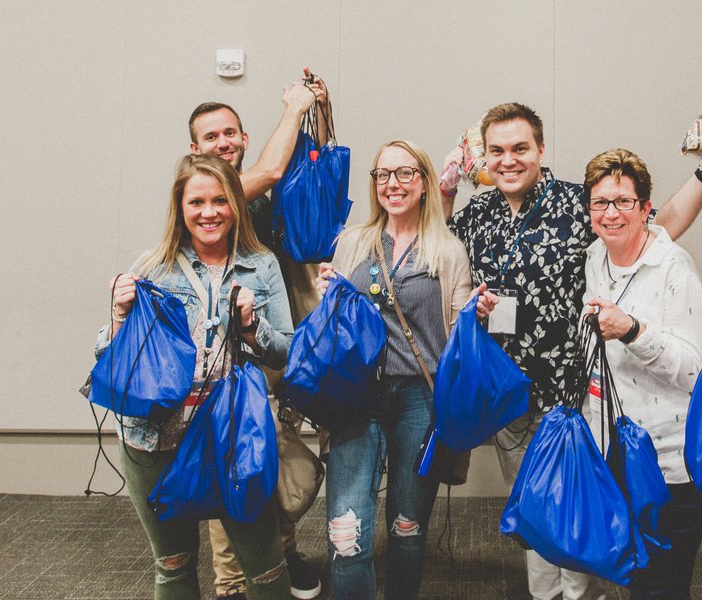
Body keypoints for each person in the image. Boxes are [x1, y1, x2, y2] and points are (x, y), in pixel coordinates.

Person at [442, 101, 702, 600]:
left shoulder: (577, 204)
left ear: (541, 149)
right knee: (538, 518)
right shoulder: (479, 213)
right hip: (510, 397)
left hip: (573, 398)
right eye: (497, 150)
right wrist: (446, 192)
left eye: (520, 148)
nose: (509, 160)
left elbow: (658, 224)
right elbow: (443, 249)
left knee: (584, 519)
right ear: (486, 156)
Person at [98, 154, 295, 599]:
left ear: (236, 205)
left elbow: (286, 351)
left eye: (220, 201)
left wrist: (252, 326)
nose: (209, 212)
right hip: (153, 438)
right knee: (173, 566)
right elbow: (113, 361)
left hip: (232, 438)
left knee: (266, 570)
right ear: (180, 207)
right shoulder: (152, 266)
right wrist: (118, 316)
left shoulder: (262, 265)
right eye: (197, 202)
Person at [187, 70, 329, 600]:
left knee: (277, 457)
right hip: (230, 353)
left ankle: (281, 551)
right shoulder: (211, 194)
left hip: (280, 340)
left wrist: (316, 108)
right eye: (211, 136)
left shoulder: (263, 195)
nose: (223, 142)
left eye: (230, 133)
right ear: (194, 149)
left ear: (244, 137)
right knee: (234, 463)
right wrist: (294, 106)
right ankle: (230, 583)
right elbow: (272, 168)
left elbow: (296, 167)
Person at [316, 140, 474, 599]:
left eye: (405, 173)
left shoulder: (447, 250)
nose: (393, 184)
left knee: (408, 529)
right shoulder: (353, 242)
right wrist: (328, 296)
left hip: (418, 398)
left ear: (424, 182)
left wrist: (476, 315)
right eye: (383, 175)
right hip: (357, 395)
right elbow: (333, 324)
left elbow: (459, 335)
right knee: (346, 534)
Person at [578, 148, 702, 599]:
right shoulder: (596, 256)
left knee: (662, 587)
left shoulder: (674, 268)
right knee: (636, 578)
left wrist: (632, 330)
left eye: (623, 201)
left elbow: (693, 371)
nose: (610, 213)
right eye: (600, 202)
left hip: (667, 465)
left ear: (645, 208)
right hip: (616, 452)